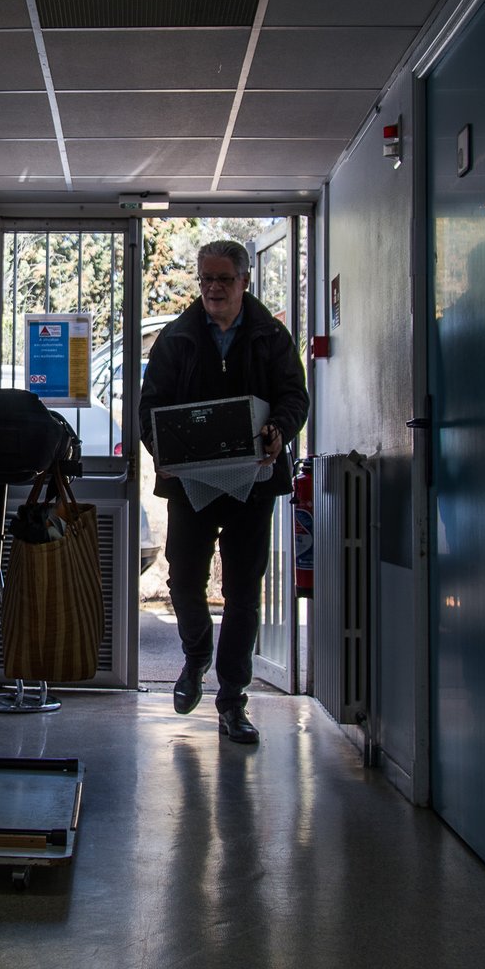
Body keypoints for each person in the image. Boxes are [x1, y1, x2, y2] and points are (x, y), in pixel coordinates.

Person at [138, 239, 309, 745]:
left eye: (223, 279)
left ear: (244, 282)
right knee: (184, 581)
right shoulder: (177, 337)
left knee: (242, 593)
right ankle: (196, 656)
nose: (213, 288)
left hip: (252, 484)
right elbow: (150, 407)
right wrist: (160, 450)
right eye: (206, 279)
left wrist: (280, 427)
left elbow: (294, 396)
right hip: (191, 485)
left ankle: (232, 700)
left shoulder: (271, 336)